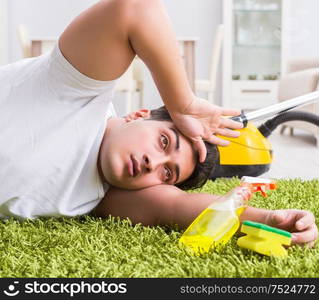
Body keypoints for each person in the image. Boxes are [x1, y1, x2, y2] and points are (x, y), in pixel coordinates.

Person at [0, 0, 317, 248]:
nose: (154, 163)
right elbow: (135, 8)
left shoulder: (105, 196)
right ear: (138, 115)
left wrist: (269, 219)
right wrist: (184, 104)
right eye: (165, 142)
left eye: (168, 173)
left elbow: (180, 208)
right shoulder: (78, 89)